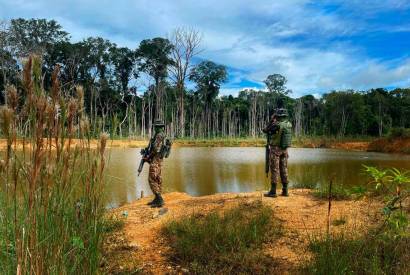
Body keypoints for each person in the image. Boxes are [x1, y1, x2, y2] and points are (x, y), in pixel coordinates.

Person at [263, 108, 292, 197]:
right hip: (285, 150)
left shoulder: (276, 124)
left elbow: (265, 130)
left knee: (274, 170)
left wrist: (271, 120)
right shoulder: (288, 124)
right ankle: (285, 190)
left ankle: (273, 191)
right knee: (284, 169)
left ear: (277, 116)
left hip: (275, 150)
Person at [145, 120, 167, 207]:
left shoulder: (159, 136)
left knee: (151, 178)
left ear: (160, 127)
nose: (156, 128)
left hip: (156, 159)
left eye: (157, 127)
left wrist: (148, 156)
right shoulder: (161, 135)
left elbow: (155, 149)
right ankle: (157, 198)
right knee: (157, 177)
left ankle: (159, 199)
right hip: (159, 159)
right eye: (156, 126)